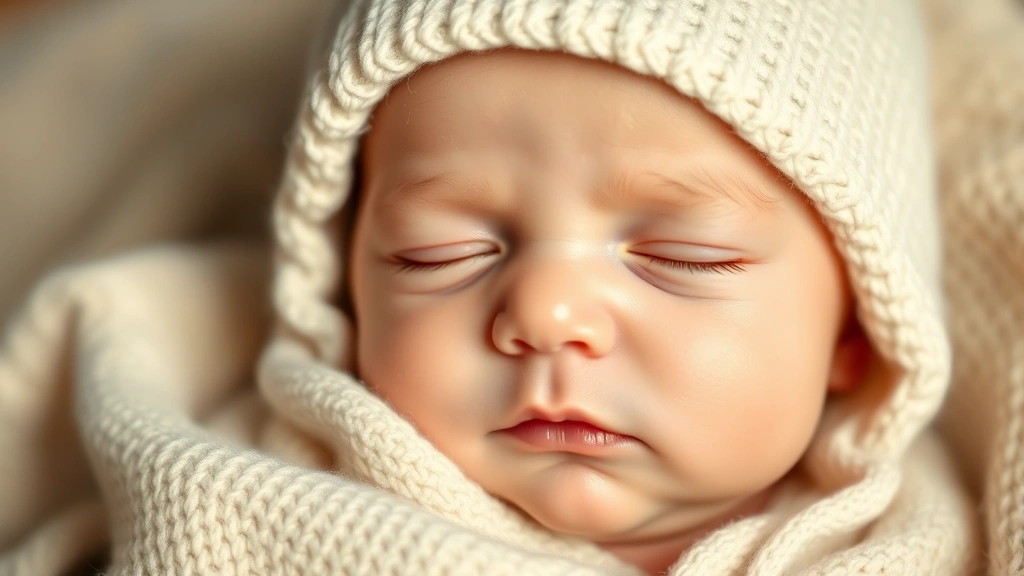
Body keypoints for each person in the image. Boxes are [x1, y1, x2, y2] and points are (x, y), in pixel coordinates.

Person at [264, 0, 978, 573]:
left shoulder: (930, 545)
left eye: (683, 256)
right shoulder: (266, 504)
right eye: (439, 254)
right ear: (342, 279)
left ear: (859, 328)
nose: (547, 314)